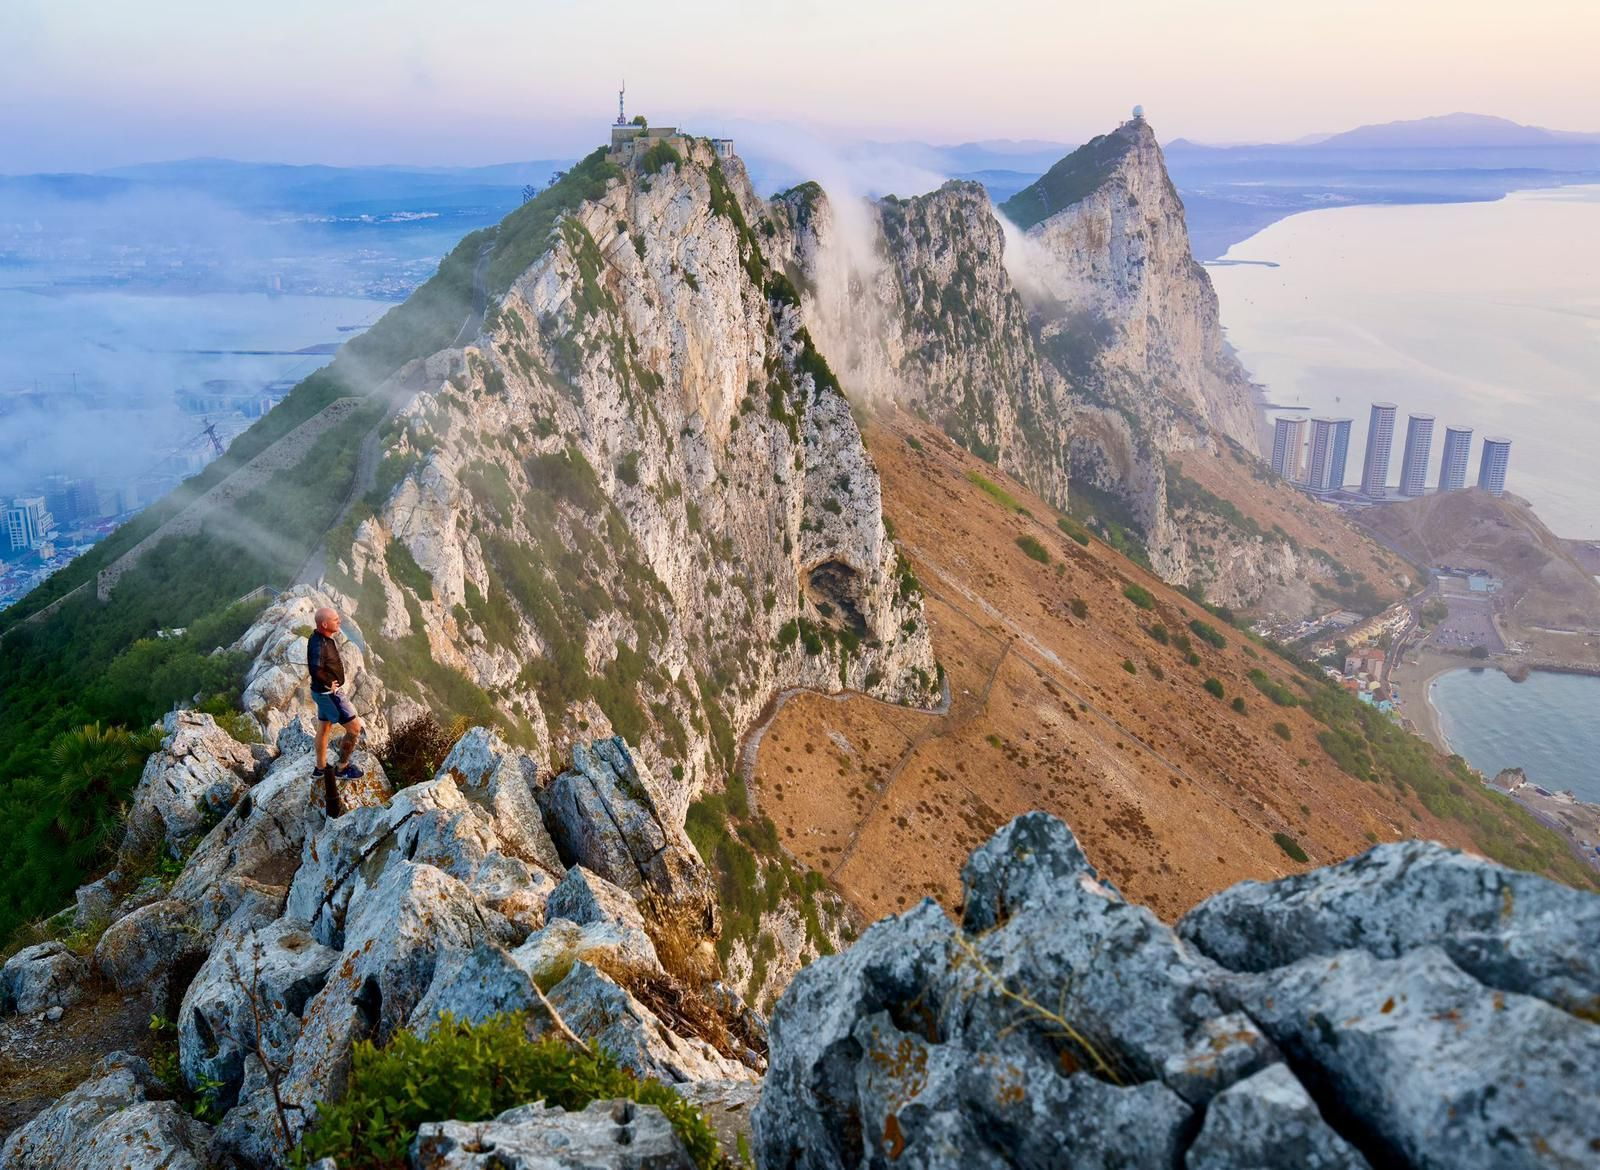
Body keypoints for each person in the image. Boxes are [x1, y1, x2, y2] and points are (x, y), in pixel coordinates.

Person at [307, 605, 363, 813]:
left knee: (324, 727)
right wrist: (330, 682)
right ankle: (342, 767)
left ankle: (320, 768)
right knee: (354, 728)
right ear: (324, 624)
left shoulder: (319, 639)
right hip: (330, 695)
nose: (339, 621)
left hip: (322, 694)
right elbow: (315, 668)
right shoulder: (318, 645)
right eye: (335, 619)